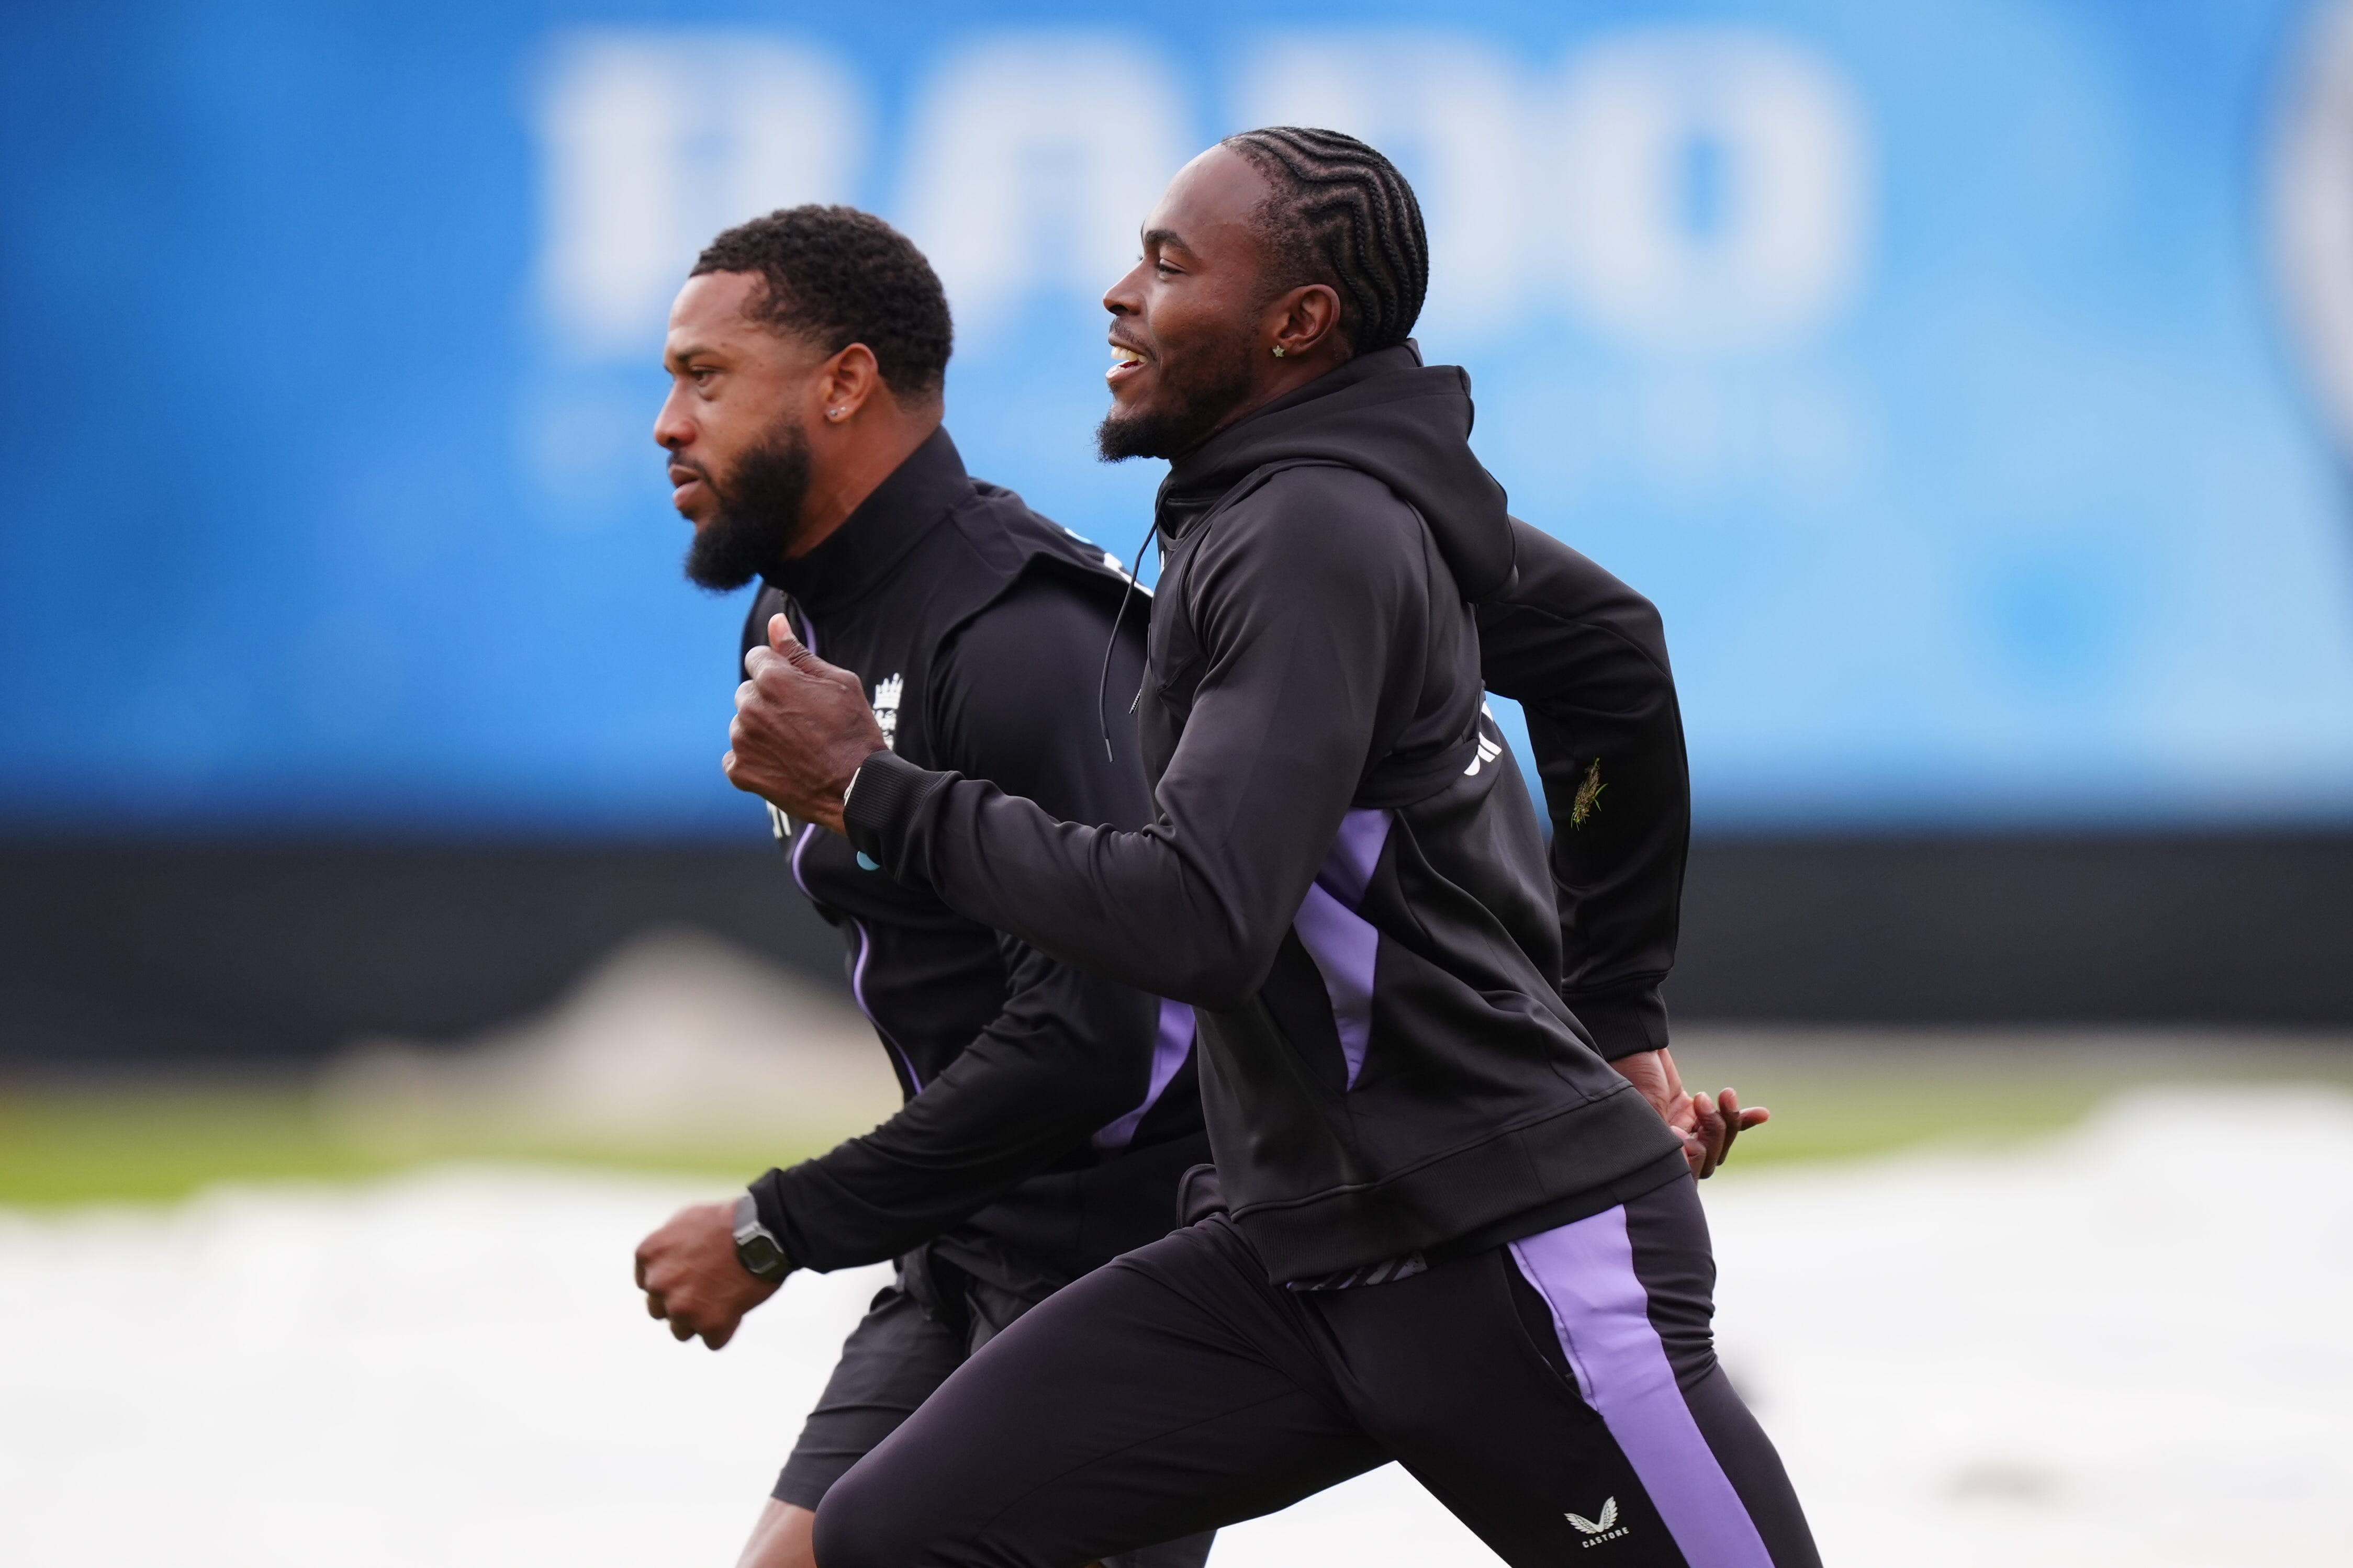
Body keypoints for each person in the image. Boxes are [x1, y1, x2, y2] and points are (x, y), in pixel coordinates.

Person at [721, 130, 1815, 1568]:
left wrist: (878, 790)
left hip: (1512, 1258)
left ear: (1299, 325)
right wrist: (1617, 1016)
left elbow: (1201, 921)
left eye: (1171, 265)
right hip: (1301, 1257)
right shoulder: (1296, 504)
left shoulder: (1309, 529)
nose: (1120, 293)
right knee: (895, 1534)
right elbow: (1612, 657)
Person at [627, 206, 1216, 1568]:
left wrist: (777, 1229)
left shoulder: (1022, 634)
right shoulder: (788, 632)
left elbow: (1098, 1036)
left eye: (707, 378)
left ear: (843, 383)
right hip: (967, 1247)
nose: (668, 422)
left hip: (1133, 1272)